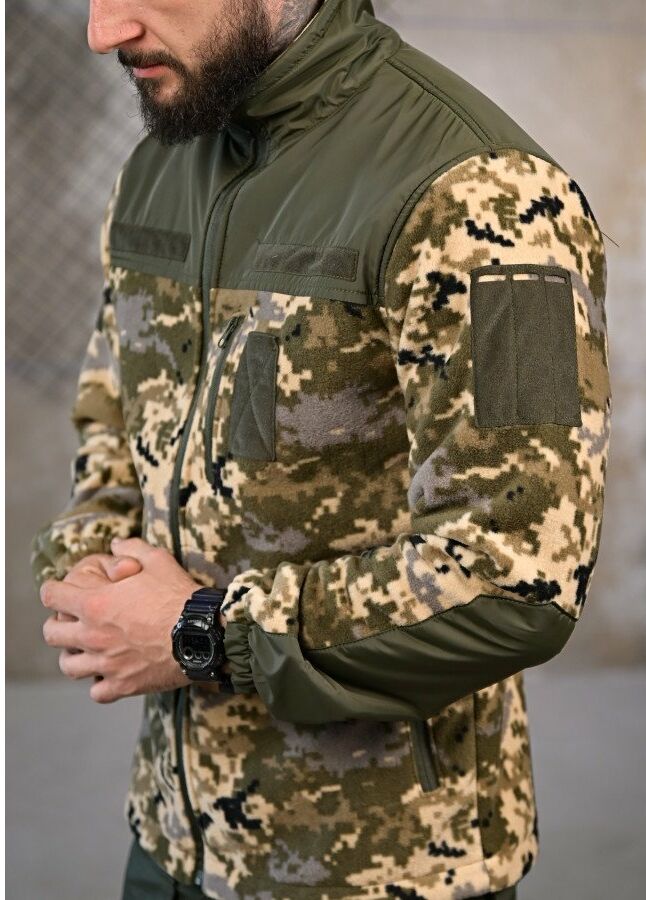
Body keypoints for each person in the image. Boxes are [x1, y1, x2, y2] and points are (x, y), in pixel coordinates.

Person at [32, 0, 612, 898]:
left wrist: (203, 635)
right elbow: (115, 424)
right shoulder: (161, 164)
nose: (103, 31)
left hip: (384, 872)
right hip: (169, 842)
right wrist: (92, 568)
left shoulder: (483, 196)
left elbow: (514, 578)